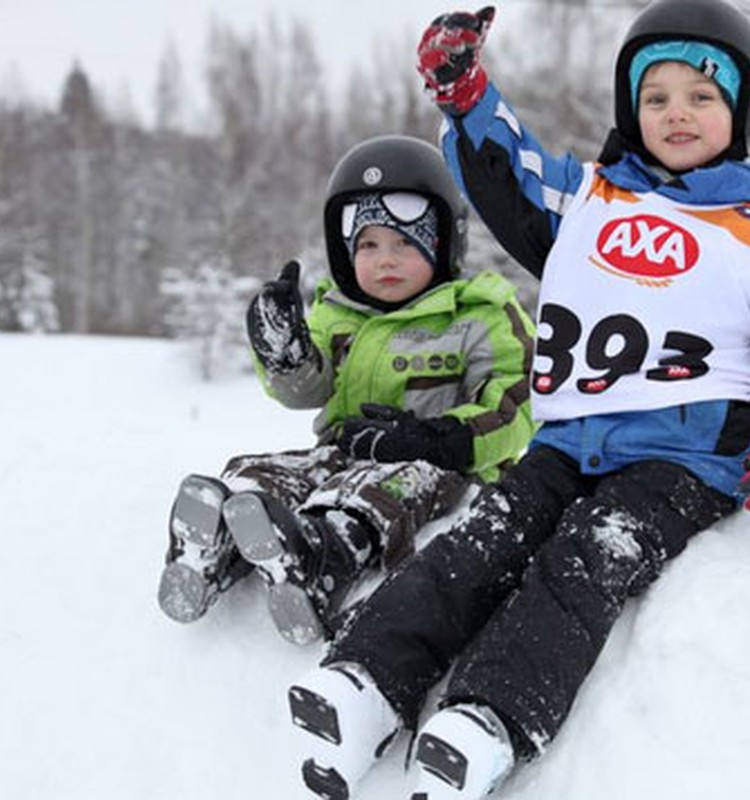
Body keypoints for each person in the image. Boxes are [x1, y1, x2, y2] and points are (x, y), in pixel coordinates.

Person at [286, 1, 750, 798]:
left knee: (583, 564)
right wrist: (464, 93)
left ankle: (488, 719)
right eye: (657, 97)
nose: (677, 114)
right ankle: (367, 678)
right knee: (481, 540)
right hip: (566, 439)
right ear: (630, 110)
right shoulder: (588, 199)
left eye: (701, 96)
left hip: (684, 455)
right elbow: (510, 168)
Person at [157, 133, 536, 646]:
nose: (386, 260)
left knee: (372, 492)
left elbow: (516, 405)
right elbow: (303, 390)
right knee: (262, 470)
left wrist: (438, 440)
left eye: (406, 243)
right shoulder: (339, 315)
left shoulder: (480, 314)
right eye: (369, 245)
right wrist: (283, 351)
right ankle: (216, 548)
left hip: (442, 472)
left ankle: (325, 561)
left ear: (445, 242)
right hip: (341, 454)